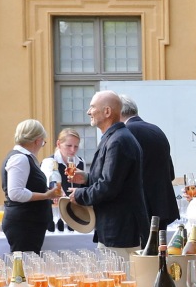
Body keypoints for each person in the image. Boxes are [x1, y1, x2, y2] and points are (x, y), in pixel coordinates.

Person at [60, 90, 145, 254]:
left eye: (92, 107)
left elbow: (109, 186)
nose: (88, 111)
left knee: (118, 278)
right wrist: (86, 178)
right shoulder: (115, 137)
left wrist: (80, 195)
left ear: (107, 112)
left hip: (120, 230)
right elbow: (114, 180)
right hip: (117, 228)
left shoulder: (118, 140)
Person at [118, 96, 179, 231]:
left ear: (119, 112)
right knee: (158, 250)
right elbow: (170, 173)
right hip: (161, 207)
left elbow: (120, 173)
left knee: (140, 252)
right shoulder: (156, 129)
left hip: (139, 210)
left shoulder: (126, 132)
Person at [0, 119, 55, 253]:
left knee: (27, 265)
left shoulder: (23, 157)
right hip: (24, 223)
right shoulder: (21, 158)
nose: (42, 145)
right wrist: (46, 195)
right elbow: (16, 193)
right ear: (37, 140)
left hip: (27, 222)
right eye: (43, 142)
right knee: (25, 266)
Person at [41, 127, 86, 229]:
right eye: (68, 146)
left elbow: (83, 186)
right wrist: (58, 191)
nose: (72, 150)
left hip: (74, 213)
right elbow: (50, 183)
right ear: (58, 144)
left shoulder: (80, 162)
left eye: (76, 146)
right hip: (54, 214)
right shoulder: (49, 162)